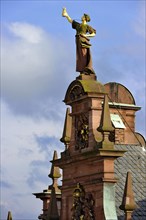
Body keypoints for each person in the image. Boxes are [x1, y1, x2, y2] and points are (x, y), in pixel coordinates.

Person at [62, 8, 96, 74]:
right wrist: (66, 15)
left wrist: (86, 36)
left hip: (83, 41)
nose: (81, 17)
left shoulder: (87, 26)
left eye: (83, 16)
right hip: (78, 40)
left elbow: (93, 34)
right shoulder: (78, 25)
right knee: (79, 55)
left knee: (84, 54)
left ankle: (86, 69)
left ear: (85, 18)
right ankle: (81, 69)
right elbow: (71, 21)